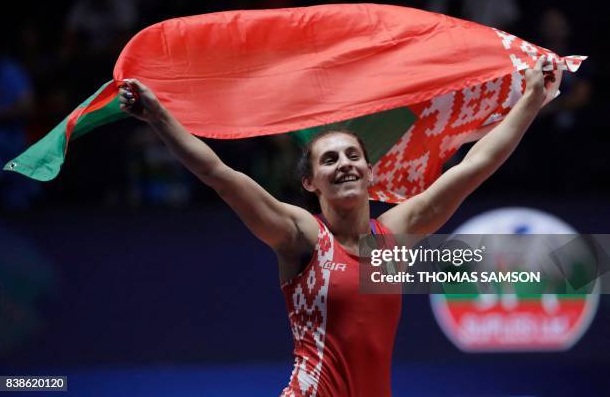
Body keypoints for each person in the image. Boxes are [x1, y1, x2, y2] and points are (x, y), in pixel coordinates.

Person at [118, 56, 553, 396]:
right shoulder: (300, 235)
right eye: (329, 159)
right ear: (310, 182)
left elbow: (475, 166)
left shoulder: (394, 234)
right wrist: (158, 117)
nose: (344, 164)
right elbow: (219, 174)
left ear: (369, 170)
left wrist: (532, 97)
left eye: (352, 156)